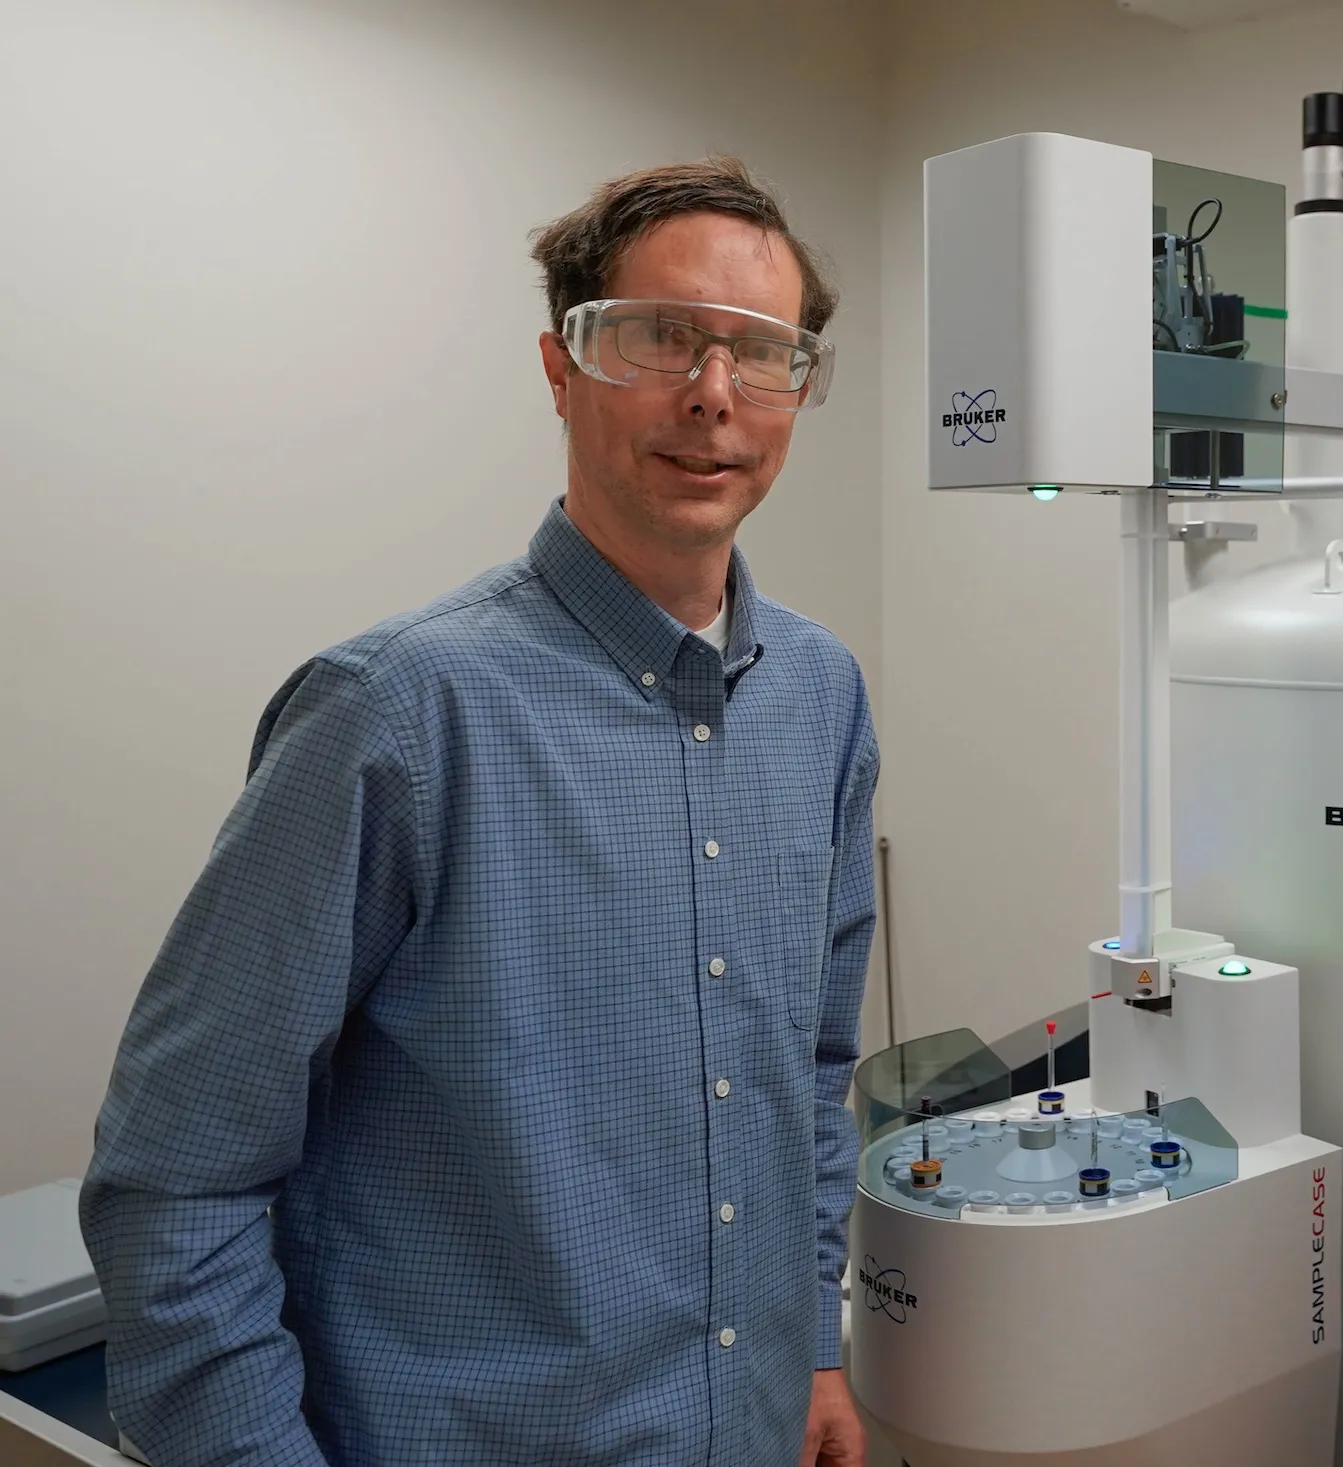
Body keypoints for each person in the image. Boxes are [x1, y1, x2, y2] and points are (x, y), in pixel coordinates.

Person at [80, 158, 876, 1467]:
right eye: (658, 337)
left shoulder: (823, 695)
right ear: (563, 370)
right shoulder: (393, 712)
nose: (713, 393)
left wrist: (816, 1350)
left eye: (761, 352)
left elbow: (809, 1068)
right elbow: (178, 1172)